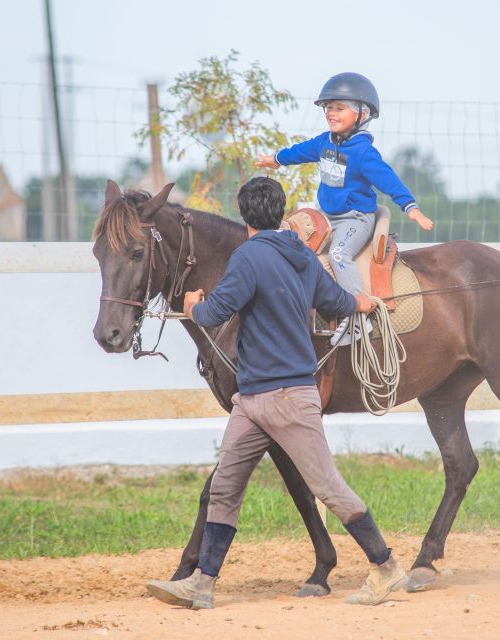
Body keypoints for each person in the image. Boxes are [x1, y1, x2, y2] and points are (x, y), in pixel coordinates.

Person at [145, 177, 407, 609]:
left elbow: (213, 312)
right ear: (279, 212)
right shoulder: (303, 255)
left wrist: (191, 304)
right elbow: (335, 302)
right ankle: (202, 583)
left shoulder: (247, 257)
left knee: (328, 487)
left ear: (243, 213)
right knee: (226, 485)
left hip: (282, 398)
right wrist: (360, 303)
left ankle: (386, 566)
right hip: (251, 401)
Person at [256, 72, 434, 345]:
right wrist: (276, 159)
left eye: (339, 108)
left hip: (355, 219)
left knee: (339, 253)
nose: (331, 113)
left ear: (362, 114)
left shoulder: (363, 153)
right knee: (289, 243)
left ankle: (357, 316)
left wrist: (410, 207)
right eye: (328, 107)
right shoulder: (324, 142)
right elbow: (300, 151)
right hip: (326, 217)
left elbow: (388, 179)